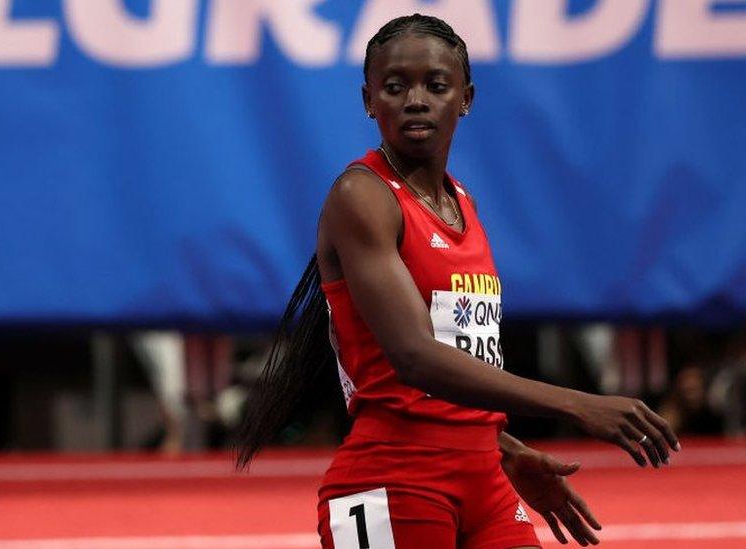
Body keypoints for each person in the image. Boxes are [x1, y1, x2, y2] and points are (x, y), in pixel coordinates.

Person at [234, 14, 680, 549]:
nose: (416, 99)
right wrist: (578, 404)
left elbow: (458, 364)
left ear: (465, 98)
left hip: (485, 480)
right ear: (368, 100)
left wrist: (504, 449)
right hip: (394, 480)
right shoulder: (364, 197)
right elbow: (416, 358)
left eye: (436, 85)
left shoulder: (461, 201)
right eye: (395, 87)